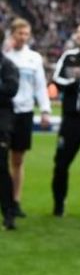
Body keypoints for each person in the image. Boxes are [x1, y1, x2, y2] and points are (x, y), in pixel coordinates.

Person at [3, 18, 51, 218]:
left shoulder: (34, 58)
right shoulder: (4, 55)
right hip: (5, 111)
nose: (22, 37)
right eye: (19, 33)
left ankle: (15, 200)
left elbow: (40, 85)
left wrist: (45, 109)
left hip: (24, 112)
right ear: (12, 34)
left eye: (26, 34)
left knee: (18, 159)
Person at [51, 23, 80, 219]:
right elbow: (58, 80)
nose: (78, 35)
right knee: (61, 163)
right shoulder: (70, 57)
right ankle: (59, 203)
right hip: (71, 119)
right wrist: (75, 81)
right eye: (77, 32)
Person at [0, 27, 20, 230]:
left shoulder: (7, 65)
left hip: (1, 123)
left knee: (1, 168)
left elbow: (11, 89)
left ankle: (8, 212)